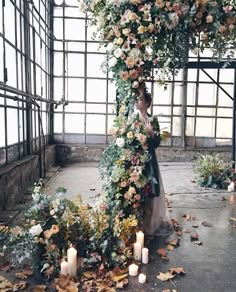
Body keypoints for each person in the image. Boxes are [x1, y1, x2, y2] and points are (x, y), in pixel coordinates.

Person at [135, 84, 173, 237]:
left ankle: (149, 226)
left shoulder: (153, 120)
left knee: (150, 191)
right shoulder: (132, 120)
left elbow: (156, 143)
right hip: (135, 159)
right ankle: (137, 224)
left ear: (147, 103)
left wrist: (151, 133)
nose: (137, 101)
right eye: (137, 98)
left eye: (140, 99)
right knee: (136, 192)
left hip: (149, 160)